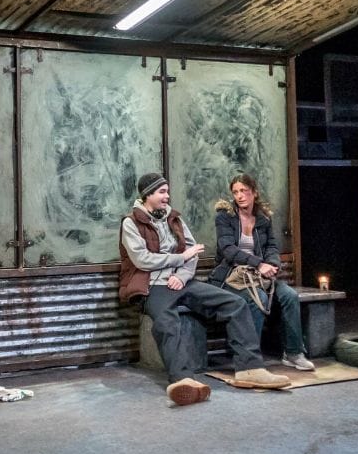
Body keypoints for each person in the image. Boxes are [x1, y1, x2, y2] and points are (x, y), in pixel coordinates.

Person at [120, 172, 291, 405]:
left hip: (182, 281)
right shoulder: (131, 222)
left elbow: (193, 253)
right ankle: (183, 380)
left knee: (235, 303)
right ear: (147, 194)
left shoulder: (175, 219)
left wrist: (182, 274)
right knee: (167, 321)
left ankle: (249, 368)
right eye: (162, 192)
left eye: (167, 191)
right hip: (152, 285)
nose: (167, 196)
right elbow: (142, 260)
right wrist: (179, 258)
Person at [211, 173, 315, 371]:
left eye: (244, 191)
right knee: (257, 297)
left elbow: (272, 247)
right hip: (231, 277)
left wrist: (273, 264)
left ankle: (293, 352)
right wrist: (259, 264)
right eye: (235, 192)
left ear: (254, 193)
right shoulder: (225, 217)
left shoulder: (263, 218)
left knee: (290, 296)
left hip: (259, 276)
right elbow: (228, 249)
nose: (240, 196)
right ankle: (250, 358)